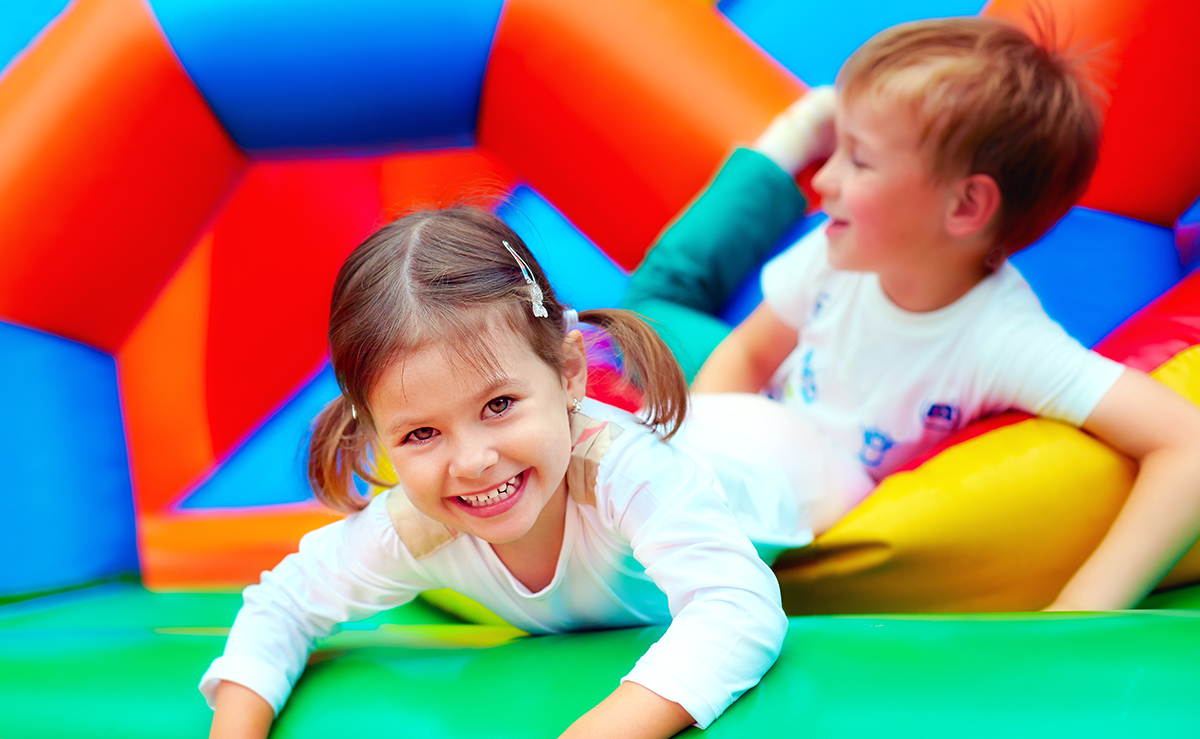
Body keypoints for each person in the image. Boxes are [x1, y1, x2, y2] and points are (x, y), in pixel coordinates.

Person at [201, 206, 864, 738]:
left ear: (571, 371)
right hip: (691, 424)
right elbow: (283, 605)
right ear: (375, 437)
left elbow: (737, 606)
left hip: (784, 451)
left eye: (498, 405)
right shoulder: (414, 526)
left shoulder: (619, 470)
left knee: (685, 310)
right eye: (421, 432)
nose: (471, 460)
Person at [623, 16, 1200, 612]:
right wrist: (697, 447)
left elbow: (1188, 446)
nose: (825, 180)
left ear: (967, 205)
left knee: (651, 306)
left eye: (859, 160)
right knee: (649, 307)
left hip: (810, 478)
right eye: (837, 152)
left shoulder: (1002, 341)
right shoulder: (839, 250)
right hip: (769, 419)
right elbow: (747, 353)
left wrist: (1080, 612)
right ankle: (788, 142)